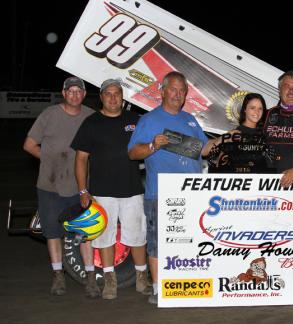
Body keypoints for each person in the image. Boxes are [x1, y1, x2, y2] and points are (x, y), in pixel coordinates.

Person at [128, 71, 217, 304]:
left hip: (192, 193)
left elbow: (204, 149)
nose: (178, 94)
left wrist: (227, 139)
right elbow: (132, 152)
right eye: (174, 89)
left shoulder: (190, 119)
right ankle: (158, 289)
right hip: (160, 193)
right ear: (163, 91)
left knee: (191, 239)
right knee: (158, 242)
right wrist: (152, 145)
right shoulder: (149, 120)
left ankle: (187, 285)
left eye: (182, 91)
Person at [71, 79, 151, 300]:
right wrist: (82, 191)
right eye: (109, 94)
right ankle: (109, 281)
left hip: (132, 189)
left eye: (117, 94)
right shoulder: (91, 123)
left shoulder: (135, 121)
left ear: (122, 97)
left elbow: (149, 146)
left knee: (137, 236)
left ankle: (142, 278)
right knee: (104, 238)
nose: (113, 98)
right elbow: (80, 159)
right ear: (101, 97)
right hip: (101, 192)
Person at [23, 77, 100, 298]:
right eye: (70, 91)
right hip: (50, 185)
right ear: (63, 93)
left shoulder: (90, 117)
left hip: (80, 187)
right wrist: (49, 160)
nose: (74, 95)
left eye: (79, 91)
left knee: (85, 232)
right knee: (52, 232)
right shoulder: (49, 115)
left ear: (84, 95)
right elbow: (29, 145)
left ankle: (91, 278)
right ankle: (58, 276)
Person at [208, 92, 275, 173]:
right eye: (252, 108)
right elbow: (215, 160)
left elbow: (271, 163)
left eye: (260, 108)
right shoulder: (234, 134)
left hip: (259, 183)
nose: (257, 112)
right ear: (245, 110)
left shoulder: (265, 135)